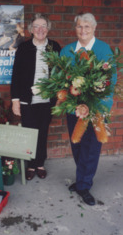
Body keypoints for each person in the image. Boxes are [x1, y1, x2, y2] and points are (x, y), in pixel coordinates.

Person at [60, 13, 117, 206]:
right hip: (74, 108)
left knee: (91, 148)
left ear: (94, 28)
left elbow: (110, 81)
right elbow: (61, 79)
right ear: (75, 28)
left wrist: (96, 105)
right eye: (79, 26)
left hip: (96, 109)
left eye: (87, 27)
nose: (82, 30)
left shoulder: (103, 49)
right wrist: (71, 102)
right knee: (76, 144)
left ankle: (84, 185)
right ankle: (81, 178)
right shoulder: (67, 51)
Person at [11, 13, 61, 181]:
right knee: (30, 133)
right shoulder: (24, 48)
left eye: (44, 26)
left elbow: (60, 74)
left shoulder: (55, 47)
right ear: (31, 30)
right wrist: (15, 101)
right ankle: (30, 165)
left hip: (47, 101)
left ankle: (40, 164)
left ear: (48, 29)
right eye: (37, 26)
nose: (40, 30)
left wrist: (60, 97)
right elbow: (16, 76)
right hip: (27, 100)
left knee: (43, 132)